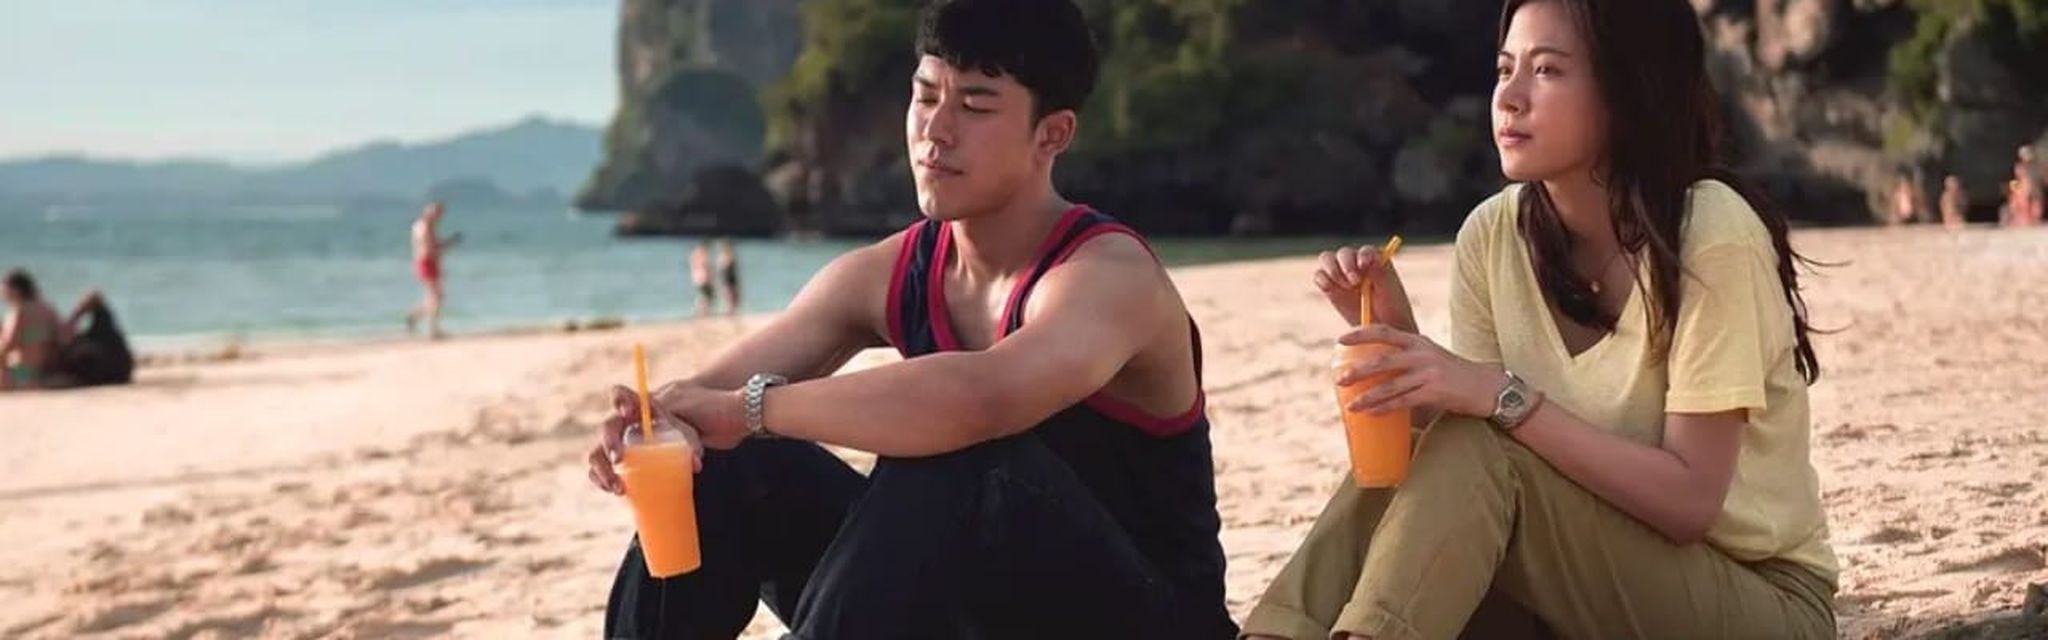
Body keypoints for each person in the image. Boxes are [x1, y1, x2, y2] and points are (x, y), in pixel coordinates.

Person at [583, 1, 1235, 638]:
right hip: (973, 609)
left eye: (975, 106)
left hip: (1142, 619)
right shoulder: (892, 271)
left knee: (957, 451)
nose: (936, 131)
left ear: (1052, 134)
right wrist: (662, 422)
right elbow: (711, 399)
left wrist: (749, 409)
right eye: (925, 97)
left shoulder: (1108, 276)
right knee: (731, 462)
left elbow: (978, 400)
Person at [1242, 1, 1837, 638]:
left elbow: (1690, 504)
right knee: (1439, 449)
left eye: (1547, 70)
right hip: (1568, 587)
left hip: (1753, 596)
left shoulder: (1711, 233)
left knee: (1482, 440)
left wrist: (1502, 396)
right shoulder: (1491, 235)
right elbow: (1460, 479)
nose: (1510, 97)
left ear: (1628, 88)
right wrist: (1401, 344)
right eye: (1505, 69)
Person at [2, 268, 67, 390]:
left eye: (4, 290)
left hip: (21, 372)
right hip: (42, 371)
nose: (2, 294)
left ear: (15, 290)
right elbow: (61, 338)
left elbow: (8, 345)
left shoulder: (19, 312)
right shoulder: (48, 310)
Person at [403, 202, 460, 339]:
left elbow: (431, 246)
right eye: (437, 214)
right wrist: (447, 245)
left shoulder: (422, 226)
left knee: (434, 297)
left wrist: (445, 244)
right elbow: (430, 249)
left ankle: (415, 317)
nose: (438, 218)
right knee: (436, 297)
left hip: (427, 262)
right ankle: (432, 329)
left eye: (439, 215)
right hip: (427, 262)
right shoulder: (425, 228)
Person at [715, 237, 741, 316]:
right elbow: (722, 269)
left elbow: (734, 270)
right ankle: (729, 312)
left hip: (731, 278)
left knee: (734, 296)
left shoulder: (731, 255)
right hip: (727, 279)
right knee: (729, 296)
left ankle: (731, 311)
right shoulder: (724, 256)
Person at [691, 240, 714, 318]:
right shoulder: (702, 254)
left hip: (698, 278)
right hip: (703, 278)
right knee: (706, 295)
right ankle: (702, 311)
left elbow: (696, 266)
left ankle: (701, 311)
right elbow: (705, 267)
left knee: (704, 295)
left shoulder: (695, 254)